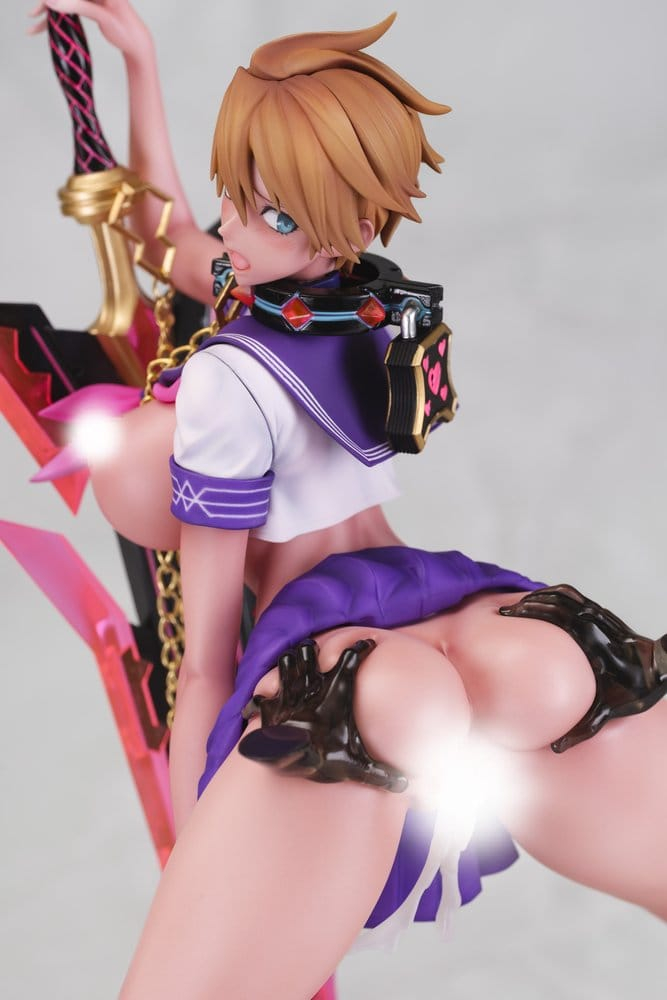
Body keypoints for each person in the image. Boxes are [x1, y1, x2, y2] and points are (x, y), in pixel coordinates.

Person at [29, 4, 667, 998]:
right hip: (465, 601)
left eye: (271, 212)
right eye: (234, 195)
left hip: (335, 645)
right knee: (565, 667)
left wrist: (202, 841)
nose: (236, 227)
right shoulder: (375, 305)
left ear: (351, 222)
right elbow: (164, 230)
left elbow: (204, 658)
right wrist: (138, 64)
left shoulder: (225, 381)